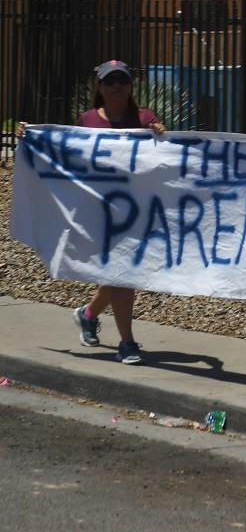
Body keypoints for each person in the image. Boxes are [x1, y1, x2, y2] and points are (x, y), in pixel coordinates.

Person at [17, 60, 167, 364]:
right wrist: (30, 138)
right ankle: (127, 342)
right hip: (96, 212)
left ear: (130, 86)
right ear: (99, 87)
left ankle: (87, 315)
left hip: (134, 211)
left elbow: (163, 157)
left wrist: (161, 134)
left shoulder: (143, 118)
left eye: (122, 81)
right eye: (109, 81)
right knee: (122, 275)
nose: (116, 87)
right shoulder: (86, 120)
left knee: (117, 274)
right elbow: (65, 152)